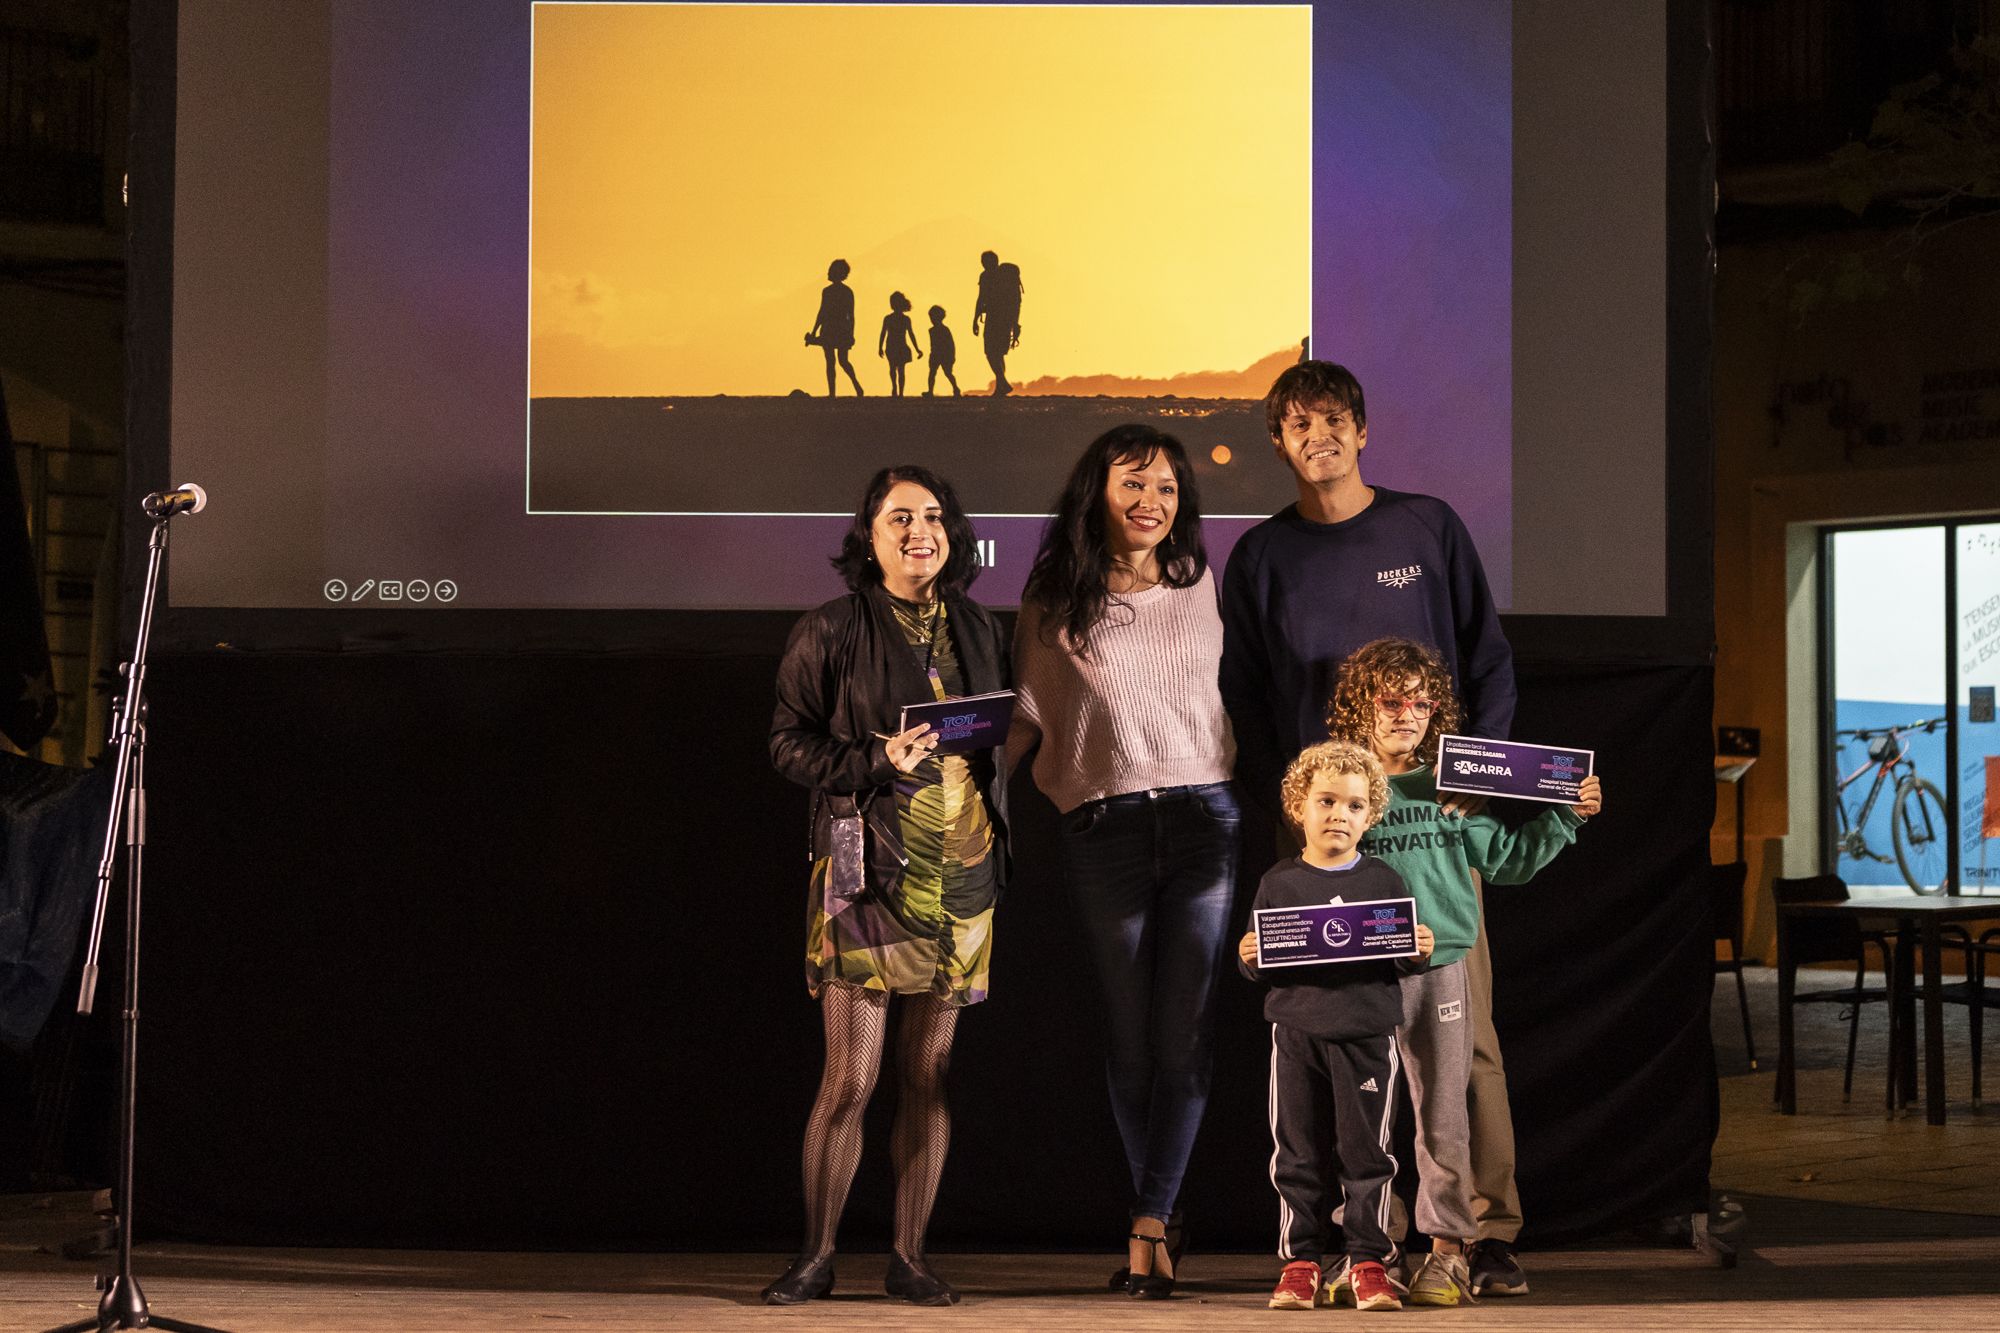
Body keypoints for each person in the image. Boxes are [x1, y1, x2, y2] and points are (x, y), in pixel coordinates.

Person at [1218, 358, 1526, 1296]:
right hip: (1329, 836)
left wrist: (1476, 780)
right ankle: (1369, 1243)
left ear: (1362, 430)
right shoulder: (1261, 556)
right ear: (1279, 444)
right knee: (1347, 1037)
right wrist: (1296, 815)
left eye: (1333, 420)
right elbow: (1244, 697)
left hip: (1432, 823)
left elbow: (1488, 661)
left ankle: (1484, 1231)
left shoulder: (1426, 526)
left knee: (1460, 1037)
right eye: (1298, 425)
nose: (1318, 437)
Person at [764, 465, 1010, 1307]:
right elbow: (788, 744)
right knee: (852, 1079)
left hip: (963, 873)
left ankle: (910, 1257)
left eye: (934, 516)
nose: (920, 531)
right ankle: (815, 1256)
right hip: (868, 872)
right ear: (868, 536)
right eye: (900, 517)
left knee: (929, 1074)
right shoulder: (831, 628)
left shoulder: (978, 625)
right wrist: (875, 757)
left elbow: (995, 738)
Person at [1008, 424, 1236, 1299]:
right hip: (1105, 828)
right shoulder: (1054, 598)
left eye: (1168, 488)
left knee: (1187, 1035)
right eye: (1134, 484)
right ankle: (1159, 1213)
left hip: (1206, 818)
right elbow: (1026, 715)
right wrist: (964, 797)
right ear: (1096, 494)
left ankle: (1151, 1219)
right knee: (1131, 1041)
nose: (1152, 501)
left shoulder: (1199, 579)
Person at [1324, 638, 1601, 1305]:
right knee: (1364, 1103)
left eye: (1421, 703)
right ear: (1360, 705)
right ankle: (1370, 1246)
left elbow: (1509, 859)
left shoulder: (1452, 787)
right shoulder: (1342, 786)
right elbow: (1313, 867)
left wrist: (1567, 812)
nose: (1406, 714)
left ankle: (1462, 1243)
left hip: (1443, 961)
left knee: (1452, 1097)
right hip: (1364, 970)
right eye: (1391, 701)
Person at [1236, 742, 1434, 1313]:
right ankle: (1300, 1263)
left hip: (1367, 1034)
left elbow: (1399, 957)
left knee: (1367, 1153)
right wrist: (1249, 958)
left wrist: (1417, 951)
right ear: (1299, 805)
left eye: (1354, 805)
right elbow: (1262, 960)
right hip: (1295, 1034)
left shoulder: (1385, 880)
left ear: (1371, 816)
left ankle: (1368, 1262)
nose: (1339, 815)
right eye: (1326, 801)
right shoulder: (1279, 883)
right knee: (1296, 1153)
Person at [806, 259, 864, 398]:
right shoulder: (843, 291)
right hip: (837, 329)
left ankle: (843, 389)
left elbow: (824, 312)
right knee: (839, 361)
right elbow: (824, 312)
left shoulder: (833, 292)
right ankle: (839, 391)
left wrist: (814, 332)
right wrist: (850, 332)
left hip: (833, 329)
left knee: (835, 361)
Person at [972, 250, 1022, 396]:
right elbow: (982, 298)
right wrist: (1015, 323)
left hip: (997, 318)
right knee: (997, 354)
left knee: (991, 352)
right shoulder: (990, 276)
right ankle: (1001, 386)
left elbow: (981, 298)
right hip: (1002, 319)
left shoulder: (990, 276)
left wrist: (975, 319)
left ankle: (1002, 383)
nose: (983, 264)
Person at [878, 291, 922, 398]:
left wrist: (917, 349)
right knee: (894, 368)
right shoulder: (889, 319)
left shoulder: (904, 319)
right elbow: (883, 333)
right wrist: (879, 347)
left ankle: (900, 391)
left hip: (900, 346)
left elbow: (911, 334)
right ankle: (895, 387)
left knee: (899, 369)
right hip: (892, 346)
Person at [924, 305, 959, 397]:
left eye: (932, 317)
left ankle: (956, 388)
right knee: (932, 373)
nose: (931, 319)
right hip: (935, 354)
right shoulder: (931, 330)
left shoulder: (945, 330)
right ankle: (930, 391)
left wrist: (952, 356)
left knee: (947, 373)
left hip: (945, 355)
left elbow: (951, 344)